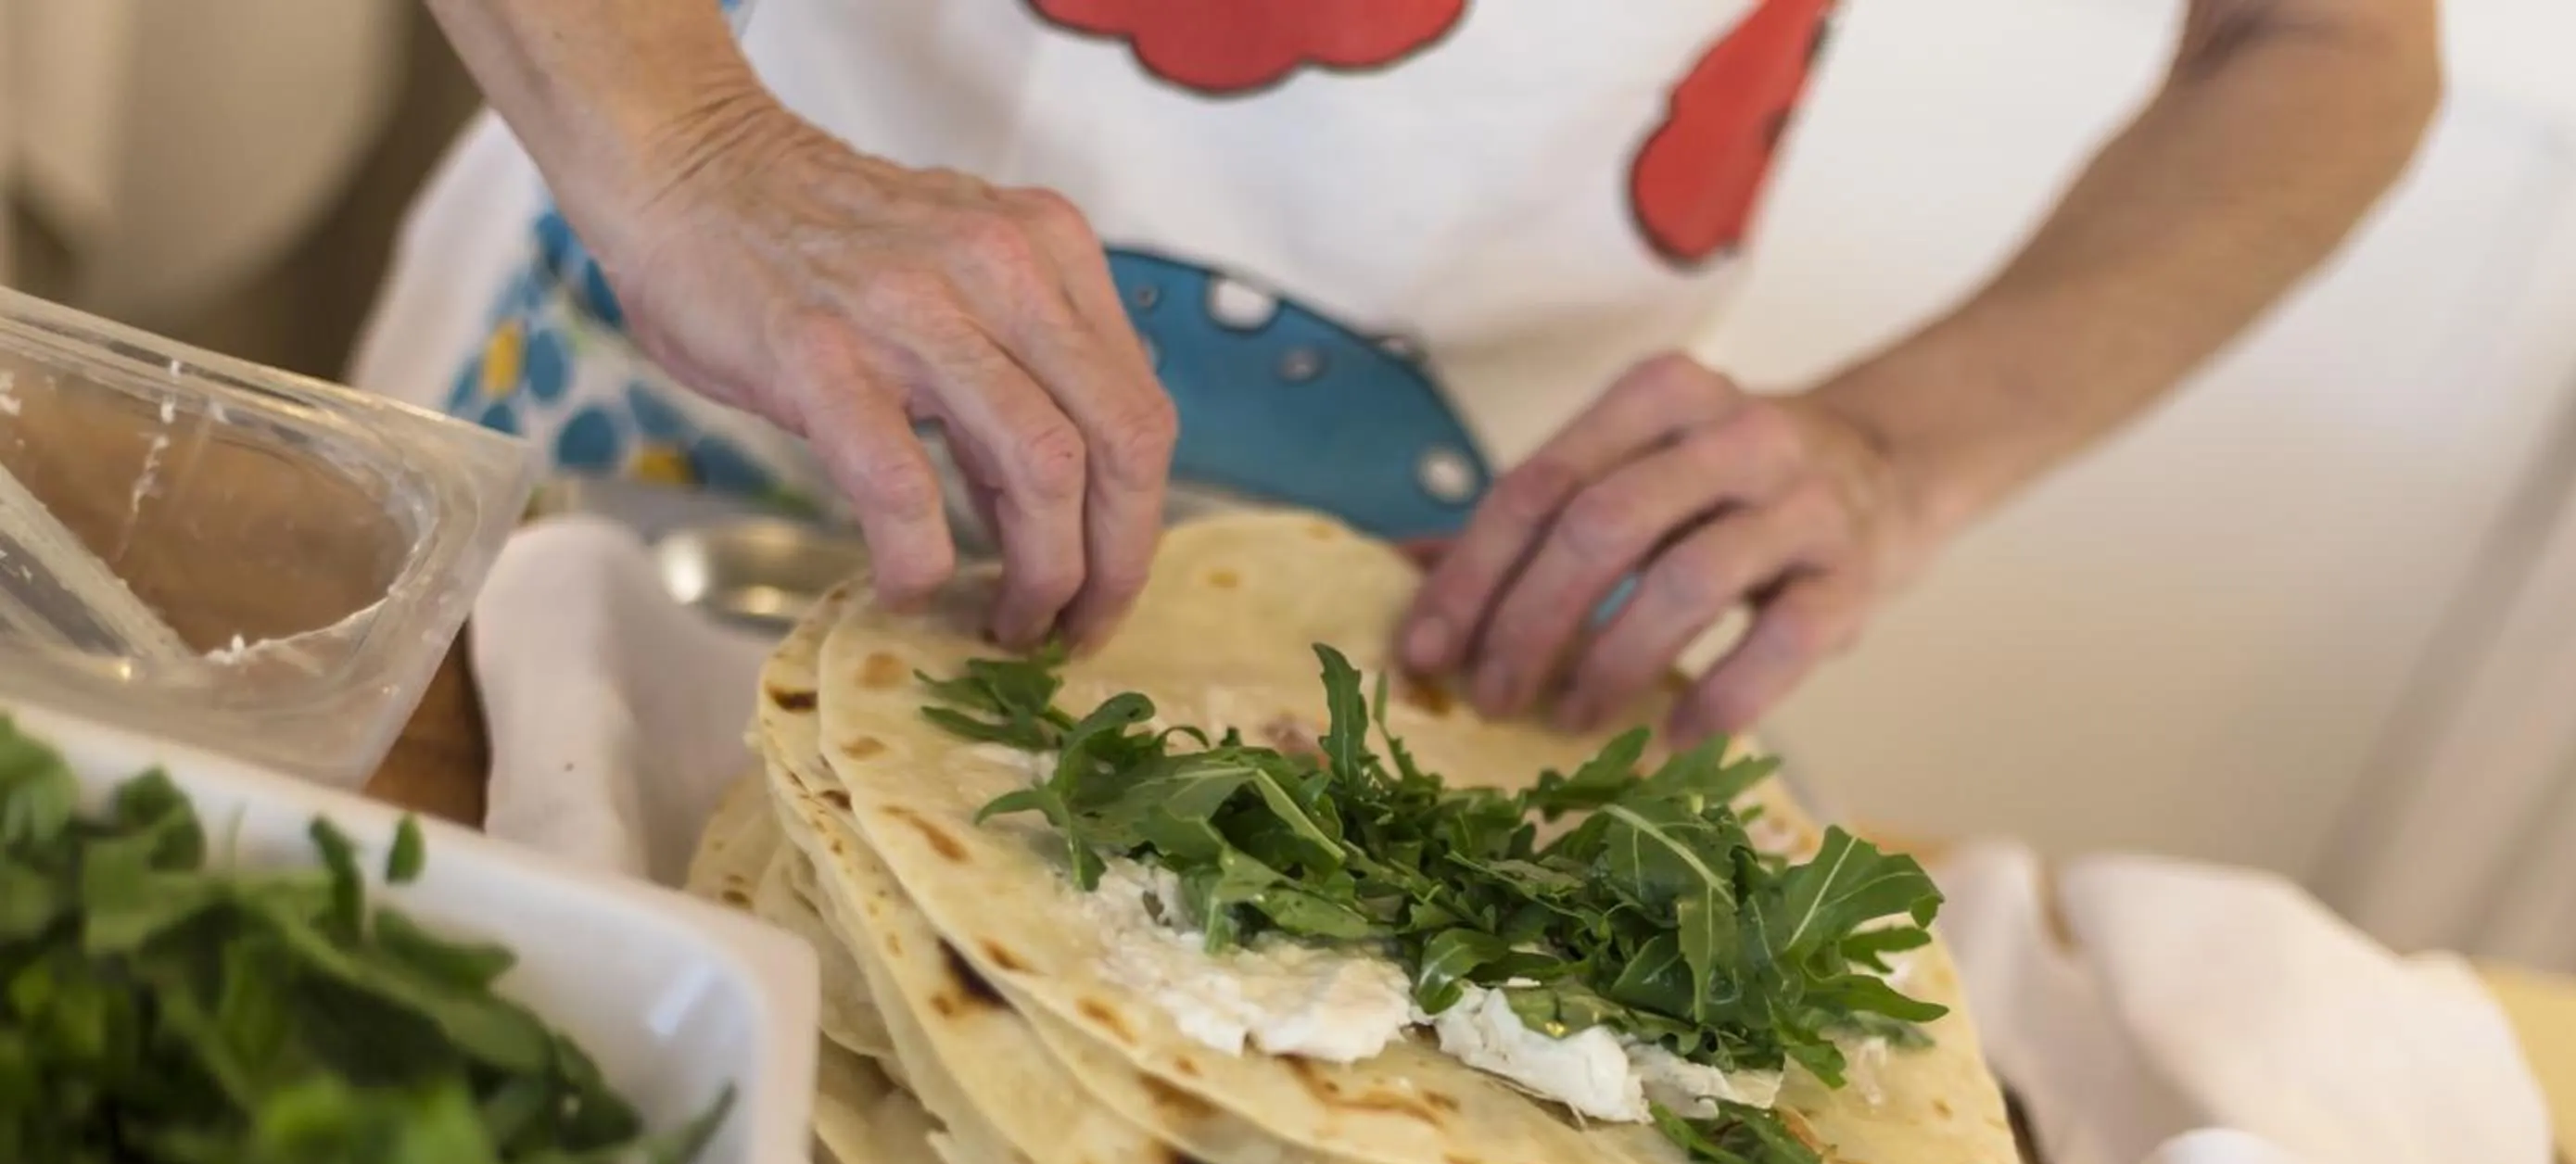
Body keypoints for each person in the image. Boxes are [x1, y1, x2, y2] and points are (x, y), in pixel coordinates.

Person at [359, 0, 2439, 743]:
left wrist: (1899, 452)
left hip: (1437, 637)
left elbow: (2327, 38)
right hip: (669, 429)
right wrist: (697, 153)